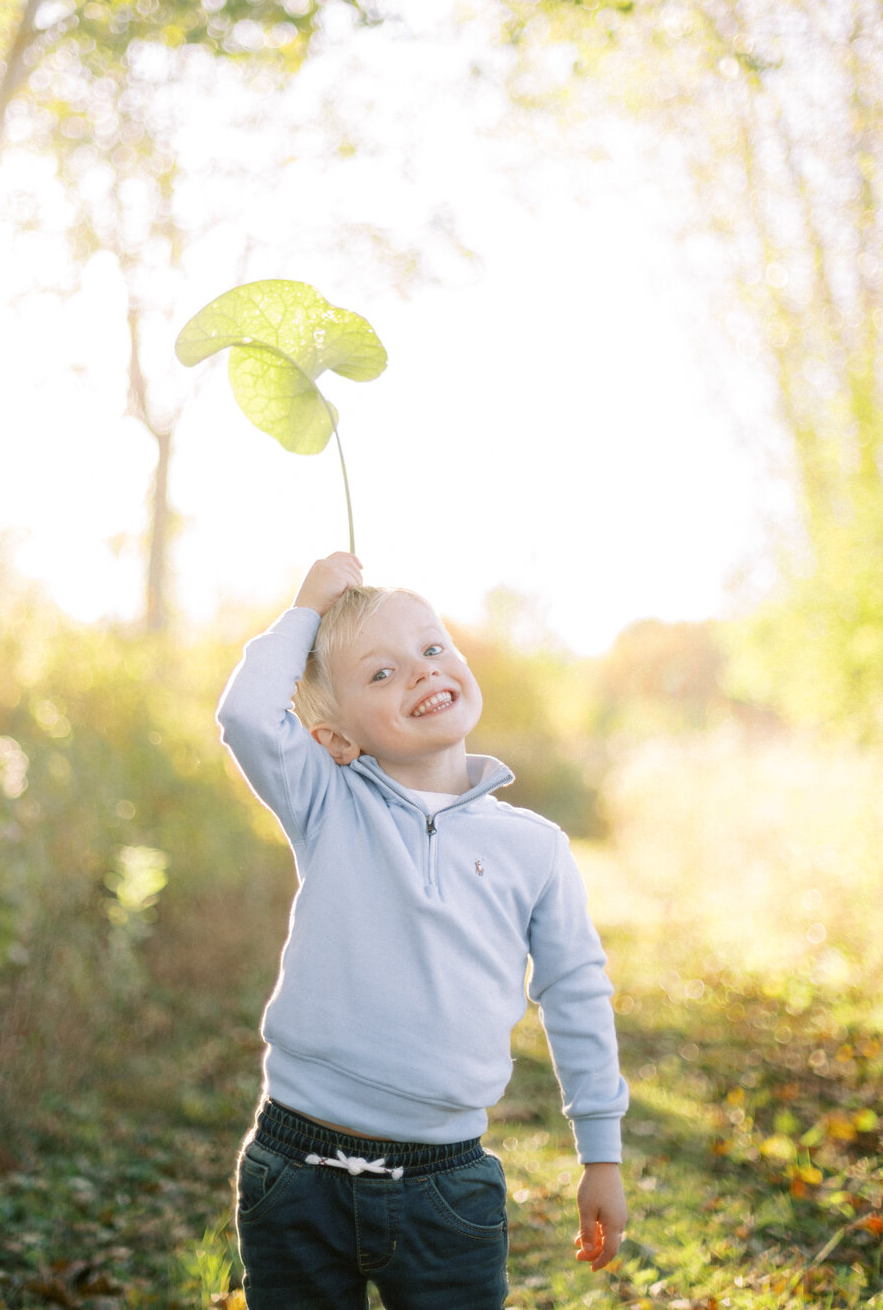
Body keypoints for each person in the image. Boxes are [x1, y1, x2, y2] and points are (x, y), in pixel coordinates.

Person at [217, 551, 629, 1310]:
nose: (419, 671)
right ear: (336, 738)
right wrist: (307, 606)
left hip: (446, 1186)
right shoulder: (327, 803)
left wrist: (600, 1152)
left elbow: (576, 993)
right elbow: (245, 714)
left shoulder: (534, 847)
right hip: (295, 1169)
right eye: (379, 673)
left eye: (433, 648)